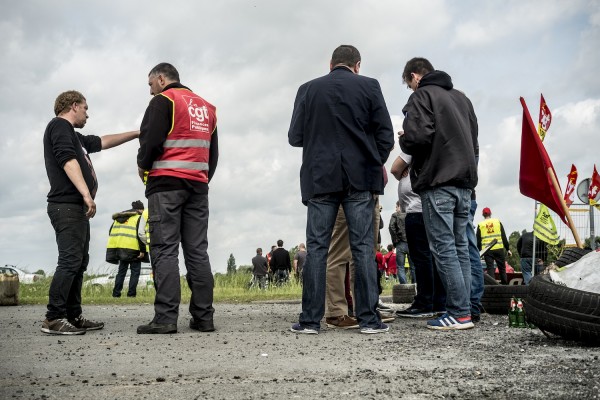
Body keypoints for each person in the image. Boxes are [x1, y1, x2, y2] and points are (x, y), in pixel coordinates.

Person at [288, 45, 394, 334]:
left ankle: (310, 320)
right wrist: (372, 161)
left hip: (320, 177)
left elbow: (294, 136)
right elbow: (386, 135)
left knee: (318, 249)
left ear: (331, 63)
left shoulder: (307, 90)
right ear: (357, 65)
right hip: (360, 178)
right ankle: (369, 320)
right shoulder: (370, 86)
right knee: (362, 249)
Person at [42, 90, 139, 335]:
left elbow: (103, 141)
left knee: (79, 262)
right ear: (74, 106)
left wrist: (137, 133)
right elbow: (67, 160)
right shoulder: (59, 127)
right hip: (66, 205)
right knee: (69, 260)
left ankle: (73, 316)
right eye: (86, 108)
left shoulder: (76, 137)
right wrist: (86, 193)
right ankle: (54, 318)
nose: (88, 113)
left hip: (75, 208)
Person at [136, 62, 219, 334]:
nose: (150, 91)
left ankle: (165, 318)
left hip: (166, 186)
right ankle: (204, 318)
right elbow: (212, 154)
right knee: (197, 250)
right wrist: (201, 179)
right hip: (198, 187)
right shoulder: (207, 108)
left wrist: (143, 165)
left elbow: (150, 141)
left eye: (150, 84)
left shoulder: (164, 101)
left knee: (164, 249)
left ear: (161, 79)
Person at [399, 57, 478, 330]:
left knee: (443, 248)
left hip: (438, 181)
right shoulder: (461, 99)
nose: (411, 90)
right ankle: (465, 310)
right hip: (464, 183)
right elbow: (474, 142)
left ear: (414, 77)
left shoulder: (422, 96)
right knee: (460, 249)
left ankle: (457, 313)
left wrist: (403, 136)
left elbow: (417, 138)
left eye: (409, 85)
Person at [391, 151, 446, 319]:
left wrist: (404, 167)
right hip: (429, 207)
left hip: (416, 210)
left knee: (421, 259)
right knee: (433, 257)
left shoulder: (412, 145)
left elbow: (394, 169)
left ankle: (424, 302)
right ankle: (438, 302)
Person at [106, 200, 149, 298]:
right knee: (135, 273)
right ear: (139, 209)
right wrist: (142, 251)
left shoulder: (118, 218)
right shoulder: (138, 218)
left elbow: (110, 232)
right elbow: (140, 234)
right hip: (134, 249)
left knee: (121, 272)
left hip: (120, 250)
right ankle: (131, 295)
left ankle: (116, 294)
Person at [476, 207, 512, 285]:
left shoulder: (480, 224)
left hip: (487, 250)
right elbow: (503, 236)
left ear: (483, 215)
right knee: (502, 268)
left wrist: (479, 252)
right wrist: (508, 249)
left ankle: (493, 287)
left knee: (490, 269)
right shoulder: (497, 222)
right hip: (498, 248)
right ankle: (505, 287)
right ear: (490, 213)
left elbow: (478, 241)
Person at [388, 201, 413, 283]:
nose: (396, 208)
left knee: (400, 267)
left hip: (400, 242)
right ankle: (416, 285)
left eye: (396, 206)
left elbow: (391, 227)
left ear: (399, 206)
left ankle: (404, 286)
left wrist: (395, 240)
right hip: (411, 242)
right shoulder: (411, 213)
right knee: (413, 266)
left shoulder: (395, 215)